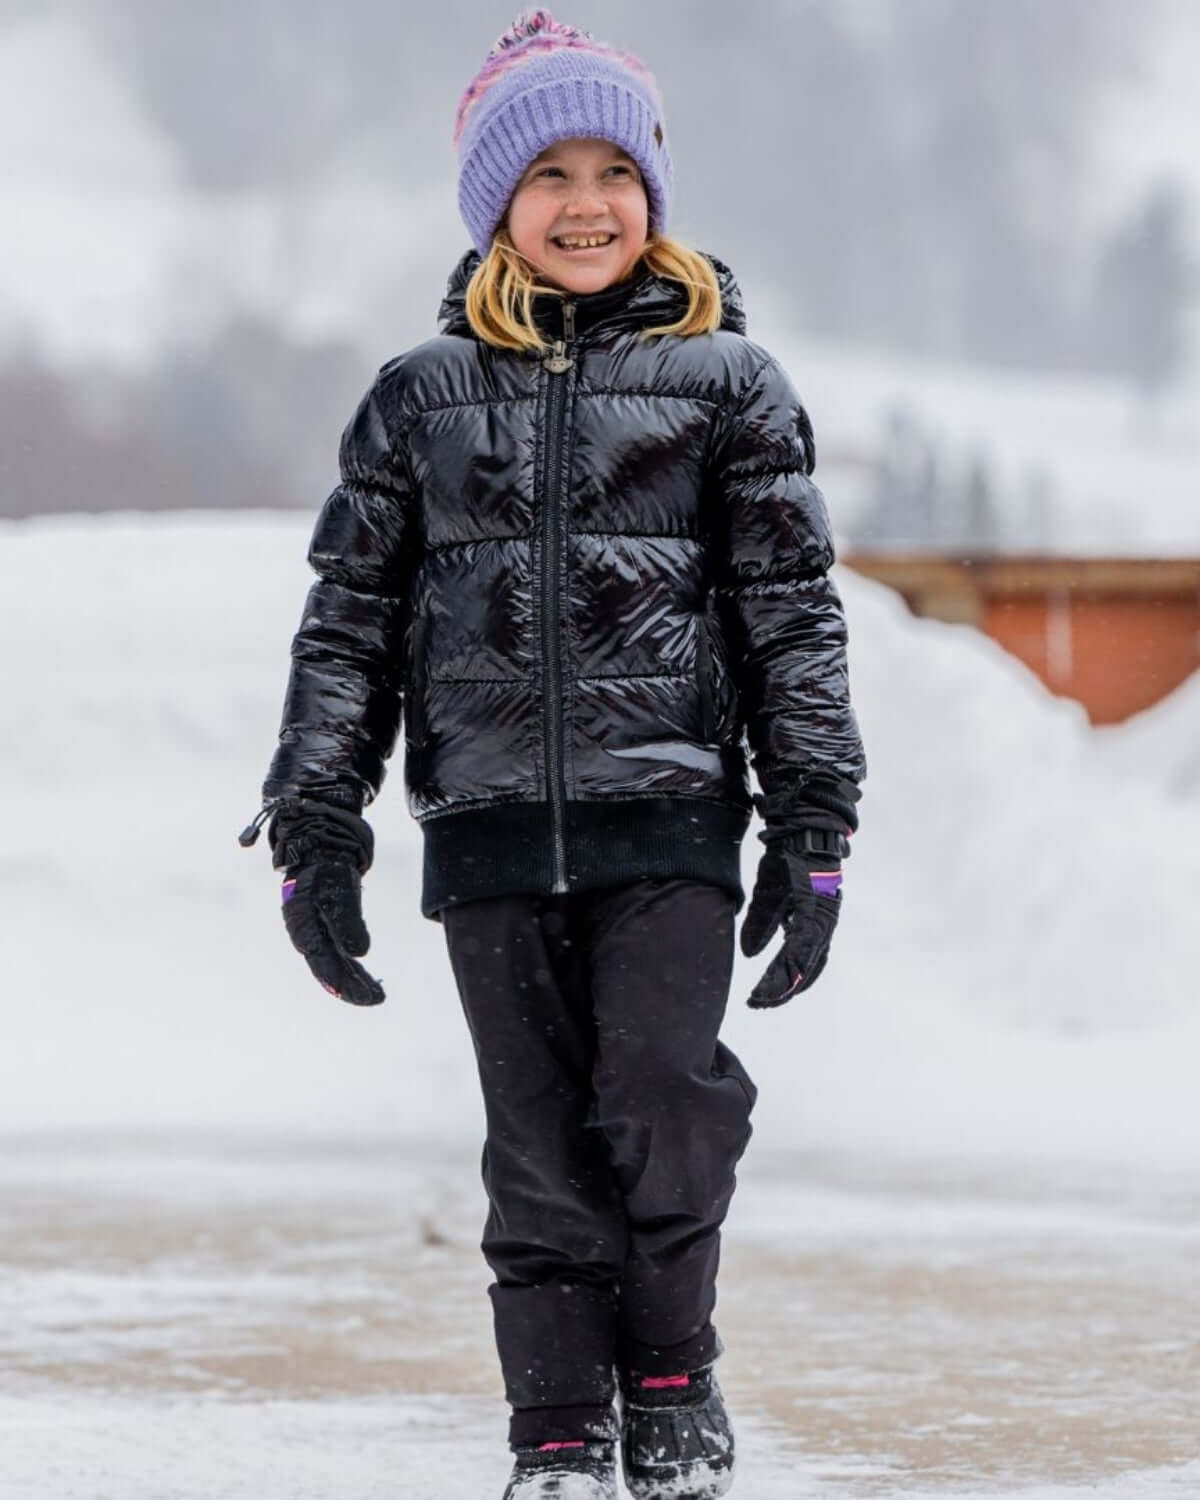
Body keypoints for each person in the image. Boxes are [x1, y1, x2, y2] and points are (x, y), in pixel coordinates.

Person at [240, 9, 866, 1498]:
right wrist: (317, 821)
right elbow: (348, 626)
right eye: (547, 174)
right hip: (492, 821)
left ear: (655, 191)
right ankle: (560, 1435)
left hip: (671, 815)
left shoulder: (731, 388)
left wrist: (815, 821)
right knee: (535, 1150)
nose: (587, 203)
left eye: (614, 170)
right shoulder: (416, 399)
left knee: (662, 1099)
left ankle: (670, 1376)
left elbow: (794, 622)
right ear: (494, 208)